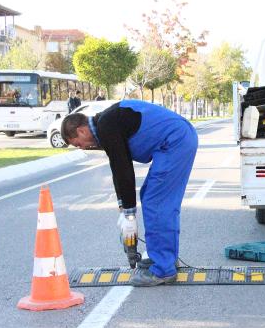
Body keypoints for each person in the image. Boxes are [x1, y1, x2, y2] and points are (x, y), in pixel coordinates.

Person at [60, 100, 198, 286]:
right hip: (177, 138)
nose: (82, 148)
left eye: (77, 143)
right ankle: (165, 257)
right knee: (151, 197)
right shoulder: (106, 123)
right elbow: (118, 168)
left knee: (156, 203)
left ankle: (164, 269)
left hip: (174, 142)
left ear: (81, 131)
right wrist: (124, 209)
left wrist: (129, 215)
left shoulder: (106, 126)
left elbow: (123, 169)